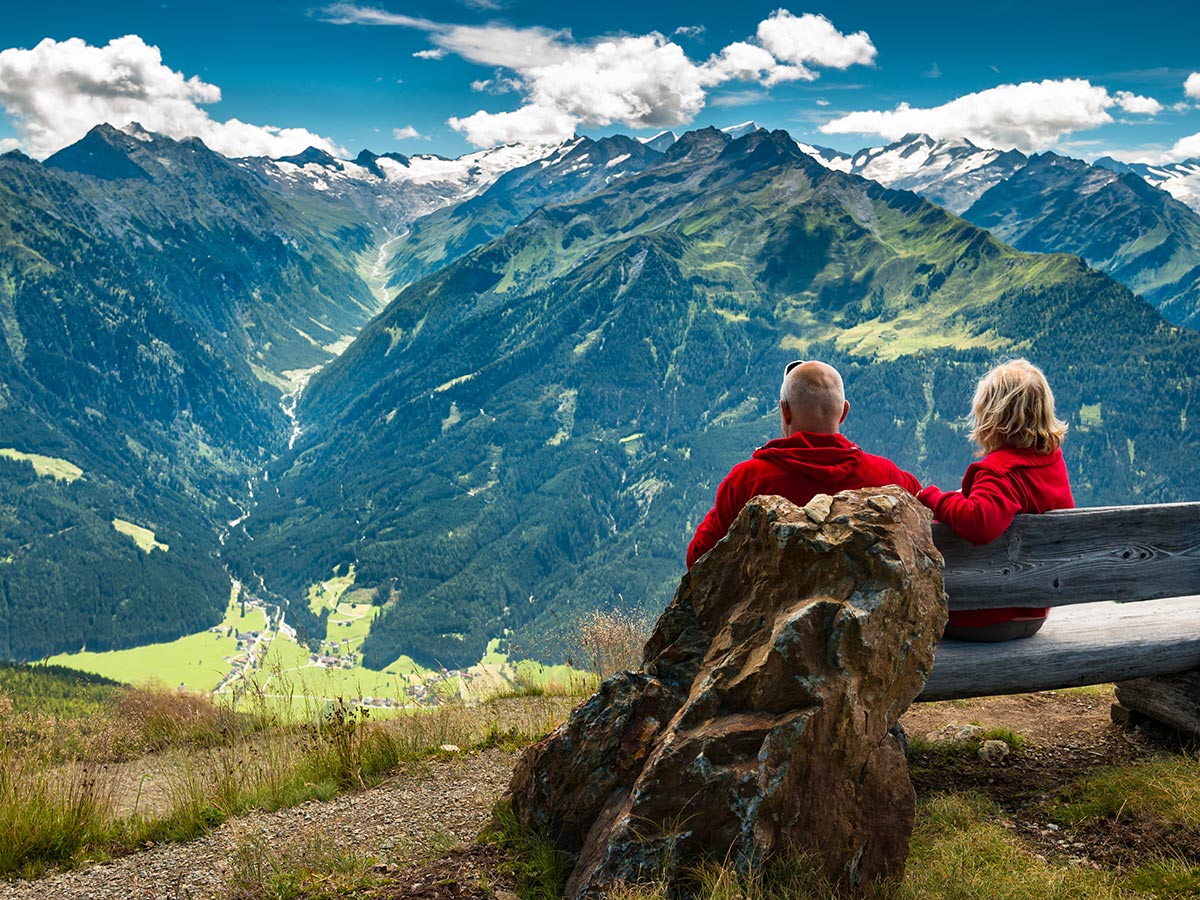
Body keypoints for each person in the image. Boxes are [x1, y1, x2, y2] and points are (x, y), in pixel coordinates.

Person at [686, 360, 921, 568]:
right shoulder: (888, 477)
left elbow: (698, 558)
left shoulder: (747, 481)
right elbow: (922, 505)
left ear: (785, 411)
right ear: (843, 412)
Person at [918, 359, 1073, 641]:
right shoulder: (1050, 461)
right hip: (1033, 611)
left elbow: (979, 522)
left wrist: (933, 497)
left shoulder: (999, 471)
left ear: (992, 417)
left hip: (985, 615)